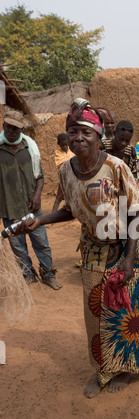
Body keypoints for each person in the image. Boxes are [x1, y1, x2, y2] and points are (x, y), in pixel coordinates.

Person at [16, 98, 139, 397]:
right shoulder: (66, 171)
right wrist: (40, 220)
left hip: (125, 247)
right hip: (93, 249)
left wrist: (128, 259)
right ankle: (103, 371)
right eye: (73, 132)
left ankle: (126, 369)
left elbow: (136, 213)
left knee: (125, 311)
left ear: (99, 137)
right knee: (96, 312)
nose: (78, 138)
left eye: (86, 132)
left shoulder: (116, 167)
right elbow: (70, 210)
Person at [0, 108, 62, 290]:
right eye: (8, 127)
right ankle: (28, 274)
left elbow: (40, 177)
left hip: (31, 207)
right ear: (3, 126)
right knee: (18, 246)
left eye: (15, 129)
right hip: (9, 207)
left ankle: (48, 274)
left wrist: (37, 195)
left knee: (41, 242)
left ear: (21, 130)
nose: (11, 132)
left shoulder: (30, 149)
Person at [52, 133, 74, 212]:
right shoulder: (58, 152)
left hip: (74, 177)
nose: (65, 147)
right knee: (58, 198)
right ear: (58, 144)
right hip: (64, 178)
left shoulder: (72, 150)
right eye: (62, 145)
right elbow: (60, 164)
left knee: (74, 195)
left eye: (66, 144)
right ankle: (52, 216)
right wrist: (72, 161)